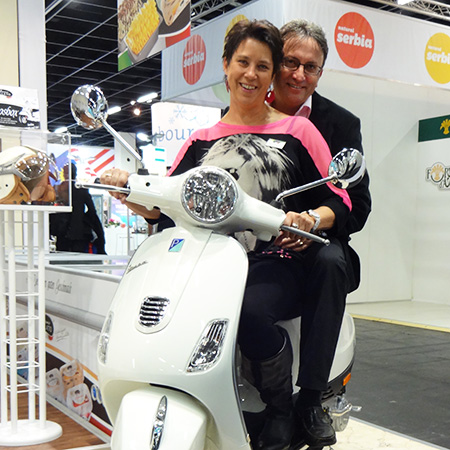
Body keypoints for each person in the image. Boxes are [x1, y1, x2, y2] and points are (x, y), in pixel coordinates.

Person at [101, 19, 352, 450]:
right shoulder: (201, 140)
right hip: (206, 263)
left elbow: (340, 200)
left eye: (261, 66)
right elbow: (165, 202)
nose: (250, 74)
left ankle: (279, 408)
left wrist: (309, 217)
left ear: (272, 75)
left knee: (251, 314)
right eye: (242, 62)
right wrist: (127, 188)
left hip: (276, 261)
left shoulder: (298, 132)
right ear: (225, 66)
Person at [50, 162, 106, 254]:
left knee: (62, 259)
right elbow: (92, 212)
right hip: (76, 232)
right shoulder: (80, 190)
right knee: (77, 259)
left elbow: (92, 212)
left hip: (66, 233)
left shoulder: (59, 190)